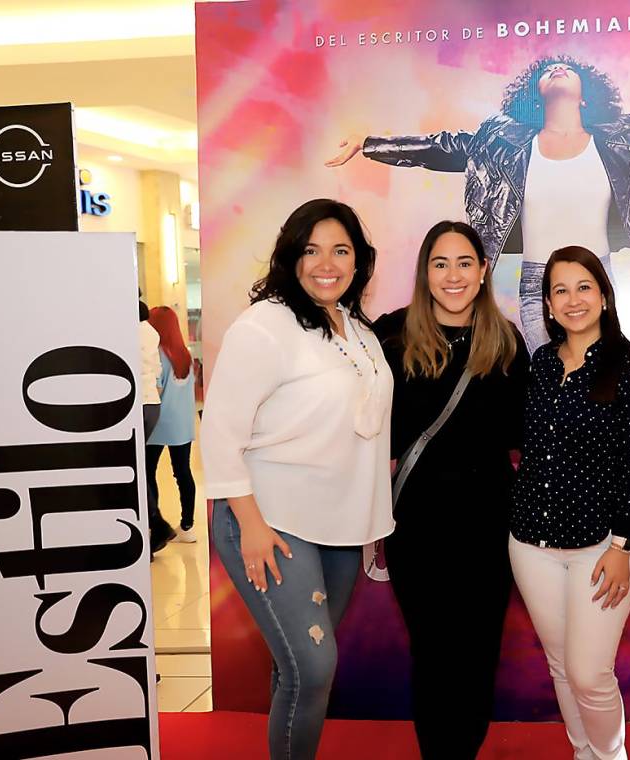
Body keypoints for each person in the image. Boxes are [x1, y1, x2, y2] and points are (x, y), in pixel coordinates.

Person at [326, 55, 630, 353]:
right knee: (550, 384)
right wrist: (371, 144)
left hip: (598, 277)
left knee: (600, 384)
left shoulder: (625, 139)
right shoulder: (503, 142)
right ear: (535, 93)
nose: (557, 70)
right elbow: (442, 147)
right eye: (548, 70)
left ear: (587, 92)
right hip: (537, 282)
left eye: (568, 68)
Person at [201, 199, 393, 760]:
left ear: (359, 260)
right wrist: (252, 527)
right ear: (291, 256)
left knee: (300, 668)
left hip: (337, 526)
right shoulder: (266, 325)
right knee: (312, 666)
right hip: (270, 521)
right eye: (311, 250)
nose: (326, 263)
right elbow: (220, 431)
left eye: (341, 250)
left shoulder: (356, 328)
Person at [373, 220, 529, 759]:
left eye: (465, 262)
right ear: (425, 273)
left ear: (484, 270)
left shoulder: (506, 343)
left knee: (479, 654)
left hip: (488, 528)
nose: (453, 275)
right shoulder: (391, 339)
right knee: (435, 654)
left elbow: (523, 438)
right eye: (440, 263)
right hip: (416, 528)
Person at [509, 245, 630, 760]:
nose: (572, 300)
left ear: (603, 294)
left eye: (583, 287)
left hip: (600, 548)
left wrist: (623, 544)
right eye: (560, 290)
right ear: (548, 304)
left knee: (590, 672)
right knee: (559, 663)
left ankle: (610, 756)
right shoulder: (542, 363)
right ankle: (583, 752)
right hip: (530, 541)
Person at [146, 305, 198, 543]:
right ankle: (188, 526)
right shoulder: (185, 355)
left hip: (157, 425)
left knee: (148, 473)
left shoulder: (156, 355)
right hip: (183, 425)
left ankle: (154, 525)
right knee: (183, 473)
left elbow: (154, 390)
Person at [139, 299, 176, 553]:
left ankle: (156, 523)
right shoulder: (150, 332)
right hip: (151, 403)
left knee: (135, 471)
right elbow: (158, 375)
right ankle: (154, 525)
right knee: (138, 468)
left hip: (135, 405)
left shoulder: (123, 330)